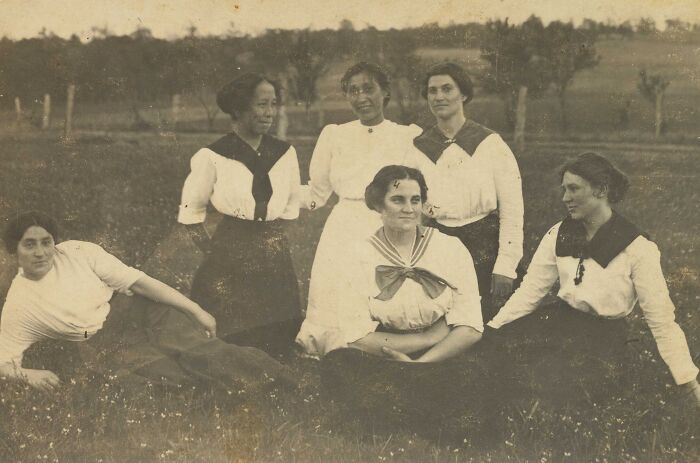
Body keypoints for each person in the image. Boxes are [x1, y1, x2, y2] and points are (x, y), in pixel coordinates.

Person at [487, 152, 700, 407]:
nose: (565, 198)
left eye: (574, 189)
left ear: (602, 190)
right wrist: (493, 329)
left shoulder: (637, 247)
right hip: (558, 323)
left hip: (604, 339)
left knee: (553, 387)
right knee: (497, 358)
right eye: (564, 189)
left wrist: (689, 383)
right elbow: (530, 292)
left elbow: (662, 321)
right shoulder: (559, 232)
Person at [0, 211, 297, 393]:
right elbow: (4, 362)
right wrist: (29, 375)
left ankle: (287, 382)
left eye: (46, 242)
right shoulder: (20, 303)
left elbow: (140, 283)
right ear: (14, 251)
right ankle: (252, 392)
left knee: (201, 350)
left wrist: (196, 310)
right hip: (108, 341)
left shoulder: (78, 252)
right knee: (172, 381)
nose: (41, 252)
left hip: (140, 310)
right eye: (30, 244)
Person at [313, 166, 489, 434]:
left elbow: (471, 326)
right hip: (386, 351)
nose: (408, 208)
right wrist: (425, 339)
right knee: (339, 364)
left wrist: (419, 366)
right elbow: (357, 336)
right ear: (378, 205)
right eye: (398, 200)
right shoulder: (357, 254)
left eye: (415, 200)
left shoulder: (449, 248)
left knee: (481, 374)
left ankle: (416, 406)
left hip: (444, 352)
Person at [296, 62, 423, 355]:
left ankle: (379, 347)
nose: (361, 97)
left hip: (387, 225)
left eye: (369, 88)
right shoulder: (334, 135)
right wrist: (278, 195)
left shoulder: (407, 136)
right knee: (335, 290)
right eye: (353, 91)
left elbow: (418, 191)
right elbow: (317, 193)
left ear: (385, 92)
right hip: (343, 226)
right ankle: (330, 346)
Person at [178, 73, 301, 356]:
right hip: (230, 242)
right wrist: (214, 254)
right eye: (261, 105)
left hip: (272, 245)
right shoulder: (213, 155)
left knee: (278, 322)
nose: (269, 113)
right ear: (238, 108)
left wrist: (276, 240)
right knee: (230, 326)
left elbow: (292, 206)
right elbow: (191, 212)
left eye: (273, 104)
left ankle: (274, 358)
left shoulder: (285, 153)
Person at [412, 62, 524, 322]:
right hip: (439, 241)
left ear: (463, 94)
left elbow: (512, 208)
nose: (439, 97)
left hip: (486, 241)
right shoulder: (418, 149)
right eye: (432, 91)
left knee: (492, 322)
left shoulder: (490, 144)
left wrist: (506, 264)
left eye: (447, 89)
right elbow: (413, 207)